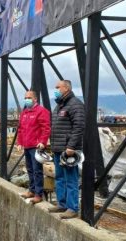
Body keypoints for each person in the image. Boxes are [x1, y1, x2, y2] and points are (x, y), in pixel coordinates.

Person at [49, 80, 85, 219]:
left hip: (68, 150)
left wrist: (71, 146)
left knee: (71, 179)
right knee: (59, 178)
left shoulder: (75, 105)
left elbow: (79, 126)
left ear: (66, 88)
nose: (56, 89)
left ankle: (72, 208)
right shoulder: (59, 106)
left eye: (58, 87)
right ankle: (62, 204)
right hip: (58, 148)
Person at [17, 90, 51, 204]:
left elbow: (46, 128)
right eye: (25, 97)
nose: (27, 99)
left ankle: (38, 194)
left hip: (36, 146)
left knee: (37, 170)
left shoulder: (42, 111)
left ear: (35, 99)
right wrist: (19, 143)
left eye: (29, 97)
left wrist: (43, 142)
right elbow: (21, 129)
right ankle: (31, 190)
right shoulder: (24, 112)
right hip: (26, 145)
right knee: (30, 169)